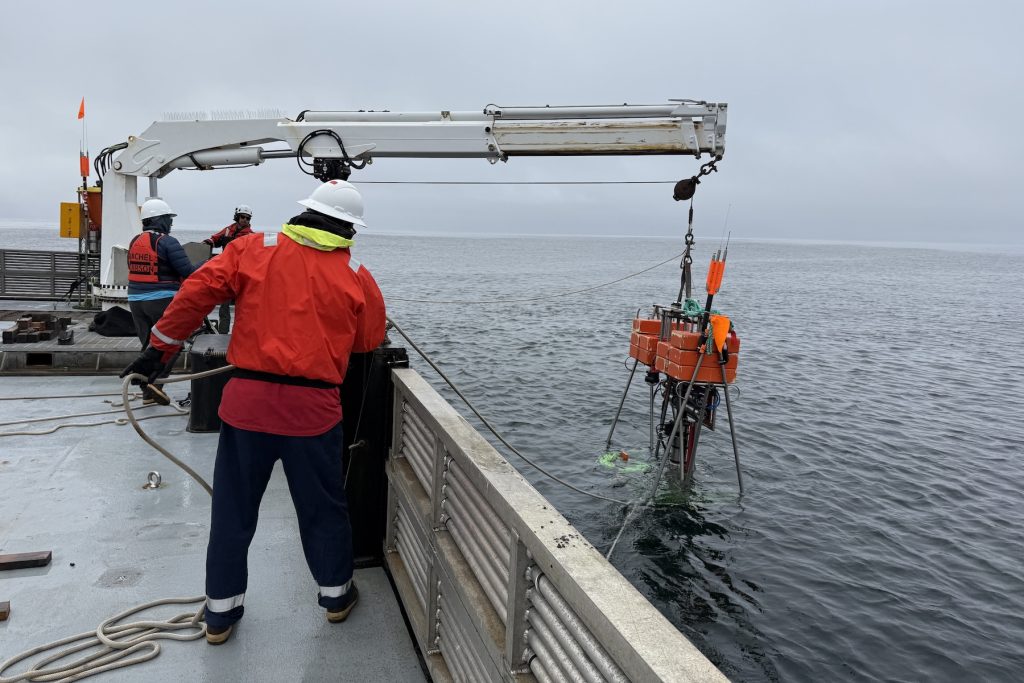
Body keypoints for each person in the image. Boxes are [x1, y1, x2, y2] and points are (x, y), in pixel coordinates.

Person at [121, 180, 386, 645]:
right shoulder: (358, 272)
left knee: (232, 512)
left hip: (246, 406)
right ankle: (336, 599)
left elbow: (195, 294)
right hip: (313, 412)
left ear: (304, 213)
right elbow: (367, 342)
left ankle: (220, 615)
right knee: (323, 510)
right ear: (348, 227)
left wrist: (155, 355)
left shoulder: (251, 249)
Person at [126, 198, 197, 403]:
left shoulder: (134, 241)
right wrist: (207, 263)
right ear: (158, 219)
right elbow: (188, 272)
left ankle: (145, 390)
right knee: (171, 345)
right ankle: (154, 387)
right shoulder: (167, 242)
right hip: (162, 300)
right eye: (168, 218)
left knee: (149, 346)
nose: (171, 223)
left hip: (135, 300)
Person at [203, 205, 256, 333]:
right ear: (237, 217)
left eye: (247, 218)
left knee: (242, 308)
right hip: (227, 273)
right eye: (242, 217)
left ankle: (241, 334)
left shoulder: (251, 236)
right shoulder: (227, 230)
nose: (245, 220)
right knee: (224, 308)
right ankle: (222, 334)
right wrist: (207, 243)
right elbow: (215, 239)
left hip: (242, 275)